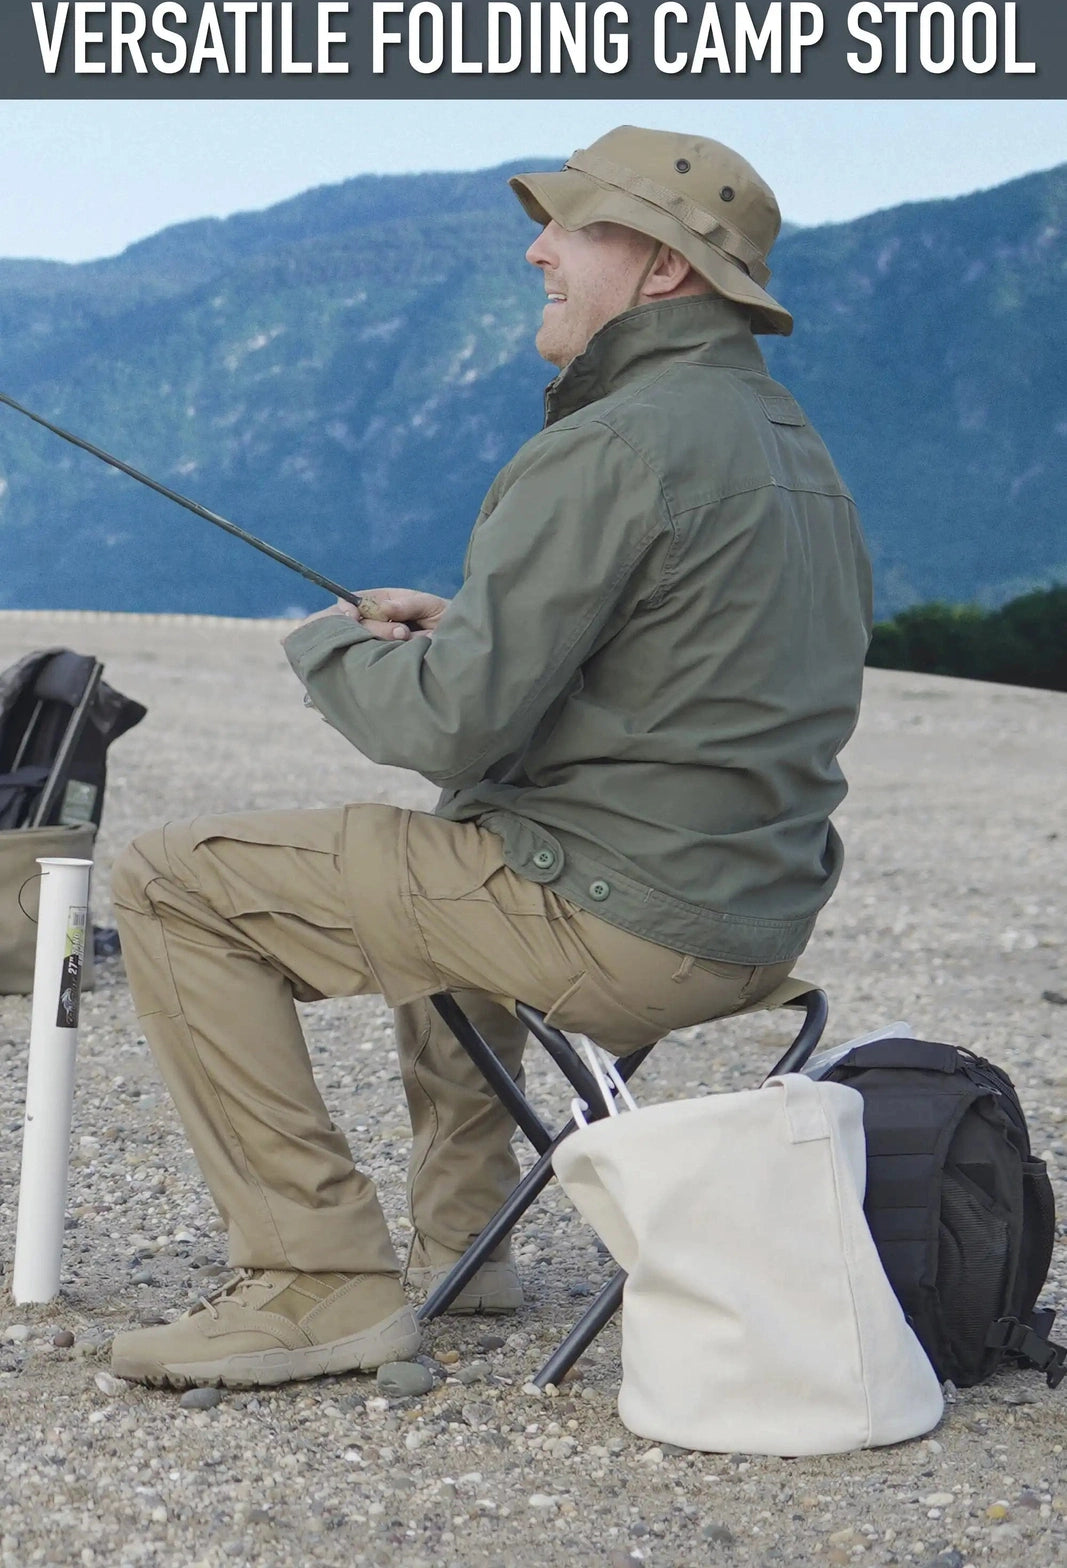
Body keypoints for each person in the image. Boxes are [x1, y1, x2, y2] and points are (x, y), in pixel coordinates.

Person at [109, 125, 873, 1390]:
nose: (538, 247)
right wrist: (468, 630)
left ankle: (315, 1284)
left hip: (621, 925)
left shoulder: (613, 441)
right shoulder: (789, 450)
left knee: (171, 878)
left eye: (570, 227)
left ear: (664, 269)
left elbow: (448, 727)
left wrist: (329, 650)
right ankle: (474, 1241)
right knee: (452, 860)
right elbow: (696, 666)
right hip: (749, 922)